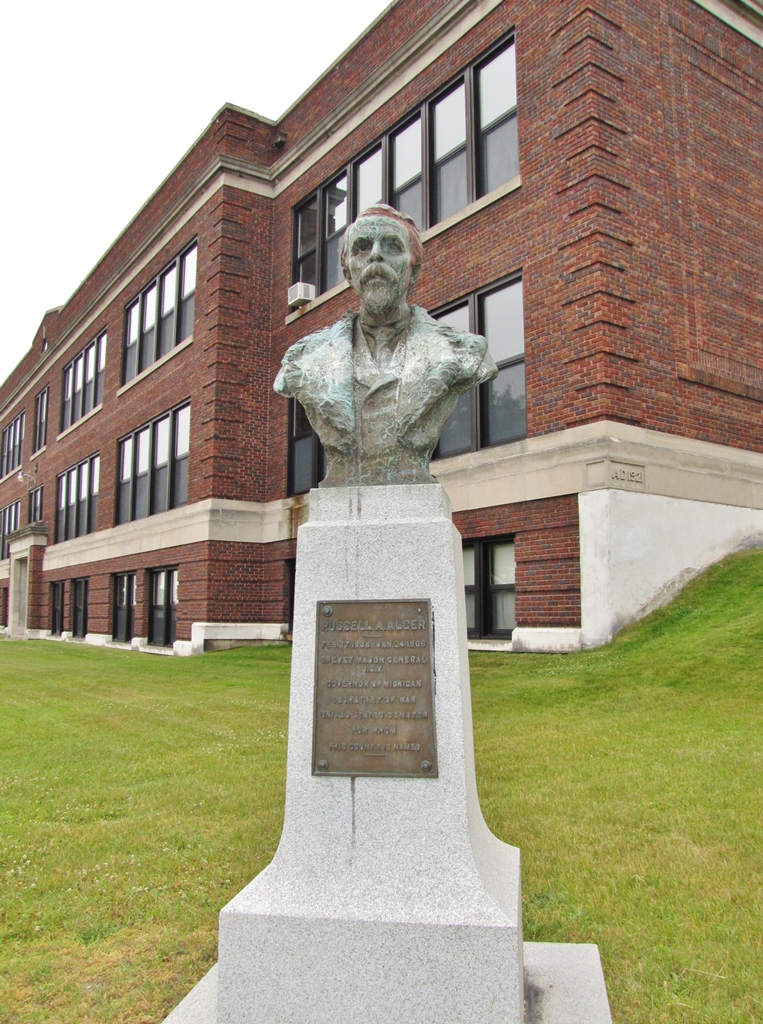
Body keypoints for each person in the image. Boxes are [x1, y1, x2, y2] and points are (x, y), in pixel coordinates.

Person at [274, 204, 496, 486]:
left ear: (412, 270)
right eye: (363, 247)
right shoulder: (304, 359)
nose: (376, 255)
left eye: (392, 246)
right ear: (348, 271)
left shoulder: (461, 352)